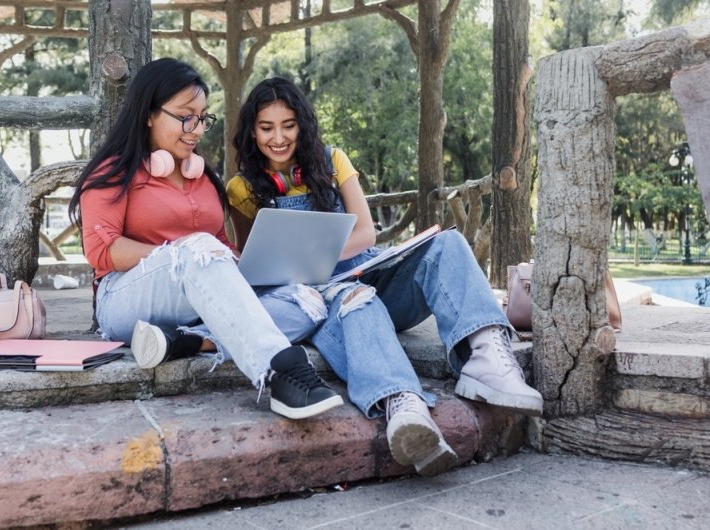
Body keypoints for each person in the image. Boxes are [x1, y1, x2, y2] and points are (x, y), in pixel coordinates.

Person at [226, 77, 543, 477]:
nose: (278, 138)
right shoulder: (241, 188)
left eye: (288, 125)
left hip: (367, 271)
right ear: (252, 131)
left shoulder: (332, 160)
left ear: (302, 124)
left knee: (447, 245)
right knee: (357, 300)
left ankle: (486, 356)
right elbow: (252, 263)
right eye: (266, 127)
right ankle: (405, 409)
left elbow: (365, 233)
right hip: (324, 302)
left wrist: (318, 258)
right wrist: (309, 279)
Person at [68, 59, 342, 420]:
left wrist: (248, 263)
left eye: (202, 118)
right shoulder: (112, 173)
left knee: (307, 301)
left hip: (196, 296)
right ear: (149, 114)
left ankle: (185, 341)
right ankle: (280, 371)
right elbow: (102, 251)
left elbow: (219, 248)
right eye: (186, 117)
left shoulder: (203, 178)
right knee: (199, 249)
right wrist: (181, 255)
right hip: (123, 298)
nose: (196, 129)